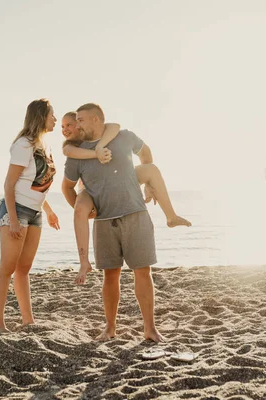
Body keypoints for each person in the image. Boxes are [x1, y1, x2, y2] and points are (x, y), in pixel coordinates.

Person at [62, 103, 163, 342]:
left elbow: (145, 152)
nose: (77, 125)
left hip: (135, 214)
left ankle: (149, 329)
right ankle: (110, 328)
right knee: (110, 276)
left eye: (81, 120)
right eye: (75, 121)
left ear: (96, 119)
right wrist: (84, 209)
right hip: (104, 221)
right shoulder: (77, 153)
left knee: (143, 272)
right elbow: (66, 187)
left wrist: (148, 183)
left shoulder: (123, 136)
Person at [60, 111, 191, 285]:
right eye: (63, 126)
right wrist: (87, 212)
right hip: (91, 189)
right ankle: (84, 262)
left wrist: (148, 186)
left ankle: (171, 217)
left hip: (121, 179)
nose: (66, 129)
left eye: (71, 124)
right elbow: (66, 183)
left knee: (151, 170)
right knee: (80, 208)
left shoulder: (108, 134)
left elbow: (115, 127)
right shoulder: (70, 148)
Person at [0, 98, 60, 333]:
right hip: (17, 210)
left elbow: (37, 184)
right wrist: (12, 219)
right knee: (7, 268)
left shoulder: (45, 145)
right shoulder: (24, 144)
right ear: (41, 116)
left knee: (24, 269)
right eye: (52, 115)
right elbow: (9, 184)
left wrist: (49, 210)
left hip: (36, 212)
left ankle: (27, 320)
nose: (56, 119)